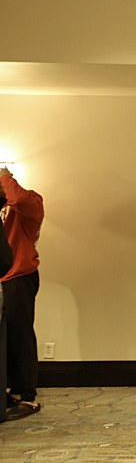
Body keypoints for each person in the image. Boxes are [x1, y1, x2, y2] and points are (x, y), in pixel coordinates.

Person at [0, 166, 44, 420]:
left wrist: (4, 174)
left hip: (19, 276)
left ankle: (27, 397)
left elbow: (16, 198)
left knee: (20, 334)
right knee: (5, 338)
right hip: (3, 277)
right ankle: (11, 392)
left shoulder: (31, 202)